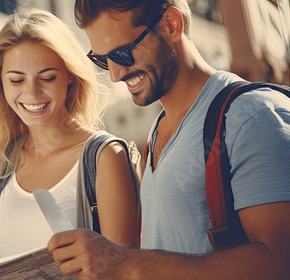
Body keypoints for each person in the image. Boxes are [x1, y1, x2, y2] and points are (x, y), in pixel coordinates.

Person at [47, 1, 290, 279]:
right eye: (103, 60)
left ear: (171, 25)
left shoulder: (252, 116)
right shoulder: (158, 129)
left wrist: (127, 263)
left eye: (124, 54)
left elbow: (280, 262)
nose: (115, 75)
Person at [0, 8, 140, 263]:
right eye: (16, 80)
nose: (32, 93)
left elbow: (127, 268)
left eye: (47, 77)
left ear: (70, 77)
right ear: (0, 82)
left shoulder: (105, 157)